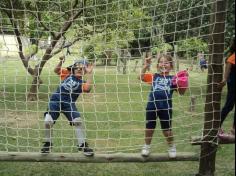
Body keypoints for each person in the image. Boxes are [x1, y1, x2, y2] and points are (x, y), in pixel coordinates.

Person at [139, 54, 188, 158]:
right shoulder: (154, 76)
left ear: (171, 65)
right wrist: (145, 65)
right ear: (157, 65)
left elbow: (182, 92)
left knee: (167, 130)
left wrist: (183, 81)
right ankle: (146, 147)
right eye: (161, 62)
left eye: (166, 62)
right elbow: (141, 77)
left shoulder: (173, 78)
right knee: (149, 128)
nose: (163, 64)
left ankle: (171, 147)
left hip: (166, 108)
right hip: (151, 106)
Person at [41, 60, 94, 156]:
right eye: (77, 67)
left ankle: (83, 145)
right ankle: (47, 144)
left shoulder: (82, 82)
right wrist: (61, 61)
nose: (79, 69)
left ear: (84, 72)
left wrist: (90, 74)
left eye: (82, 69)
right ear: (72, 69)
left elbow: (87, 89)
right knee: (48, 121)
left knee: (78, 120)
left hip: (68, 103)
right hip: (55, 101)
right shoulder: (67, 74)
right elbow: (56, 70)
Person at [218, 39, 235, 140]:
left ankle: (234, 129)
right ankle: (217, 126)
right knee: (229, 105)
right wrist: (224, 80)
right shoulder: (232, 57)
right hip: (233, 84)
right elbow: (227, 70)